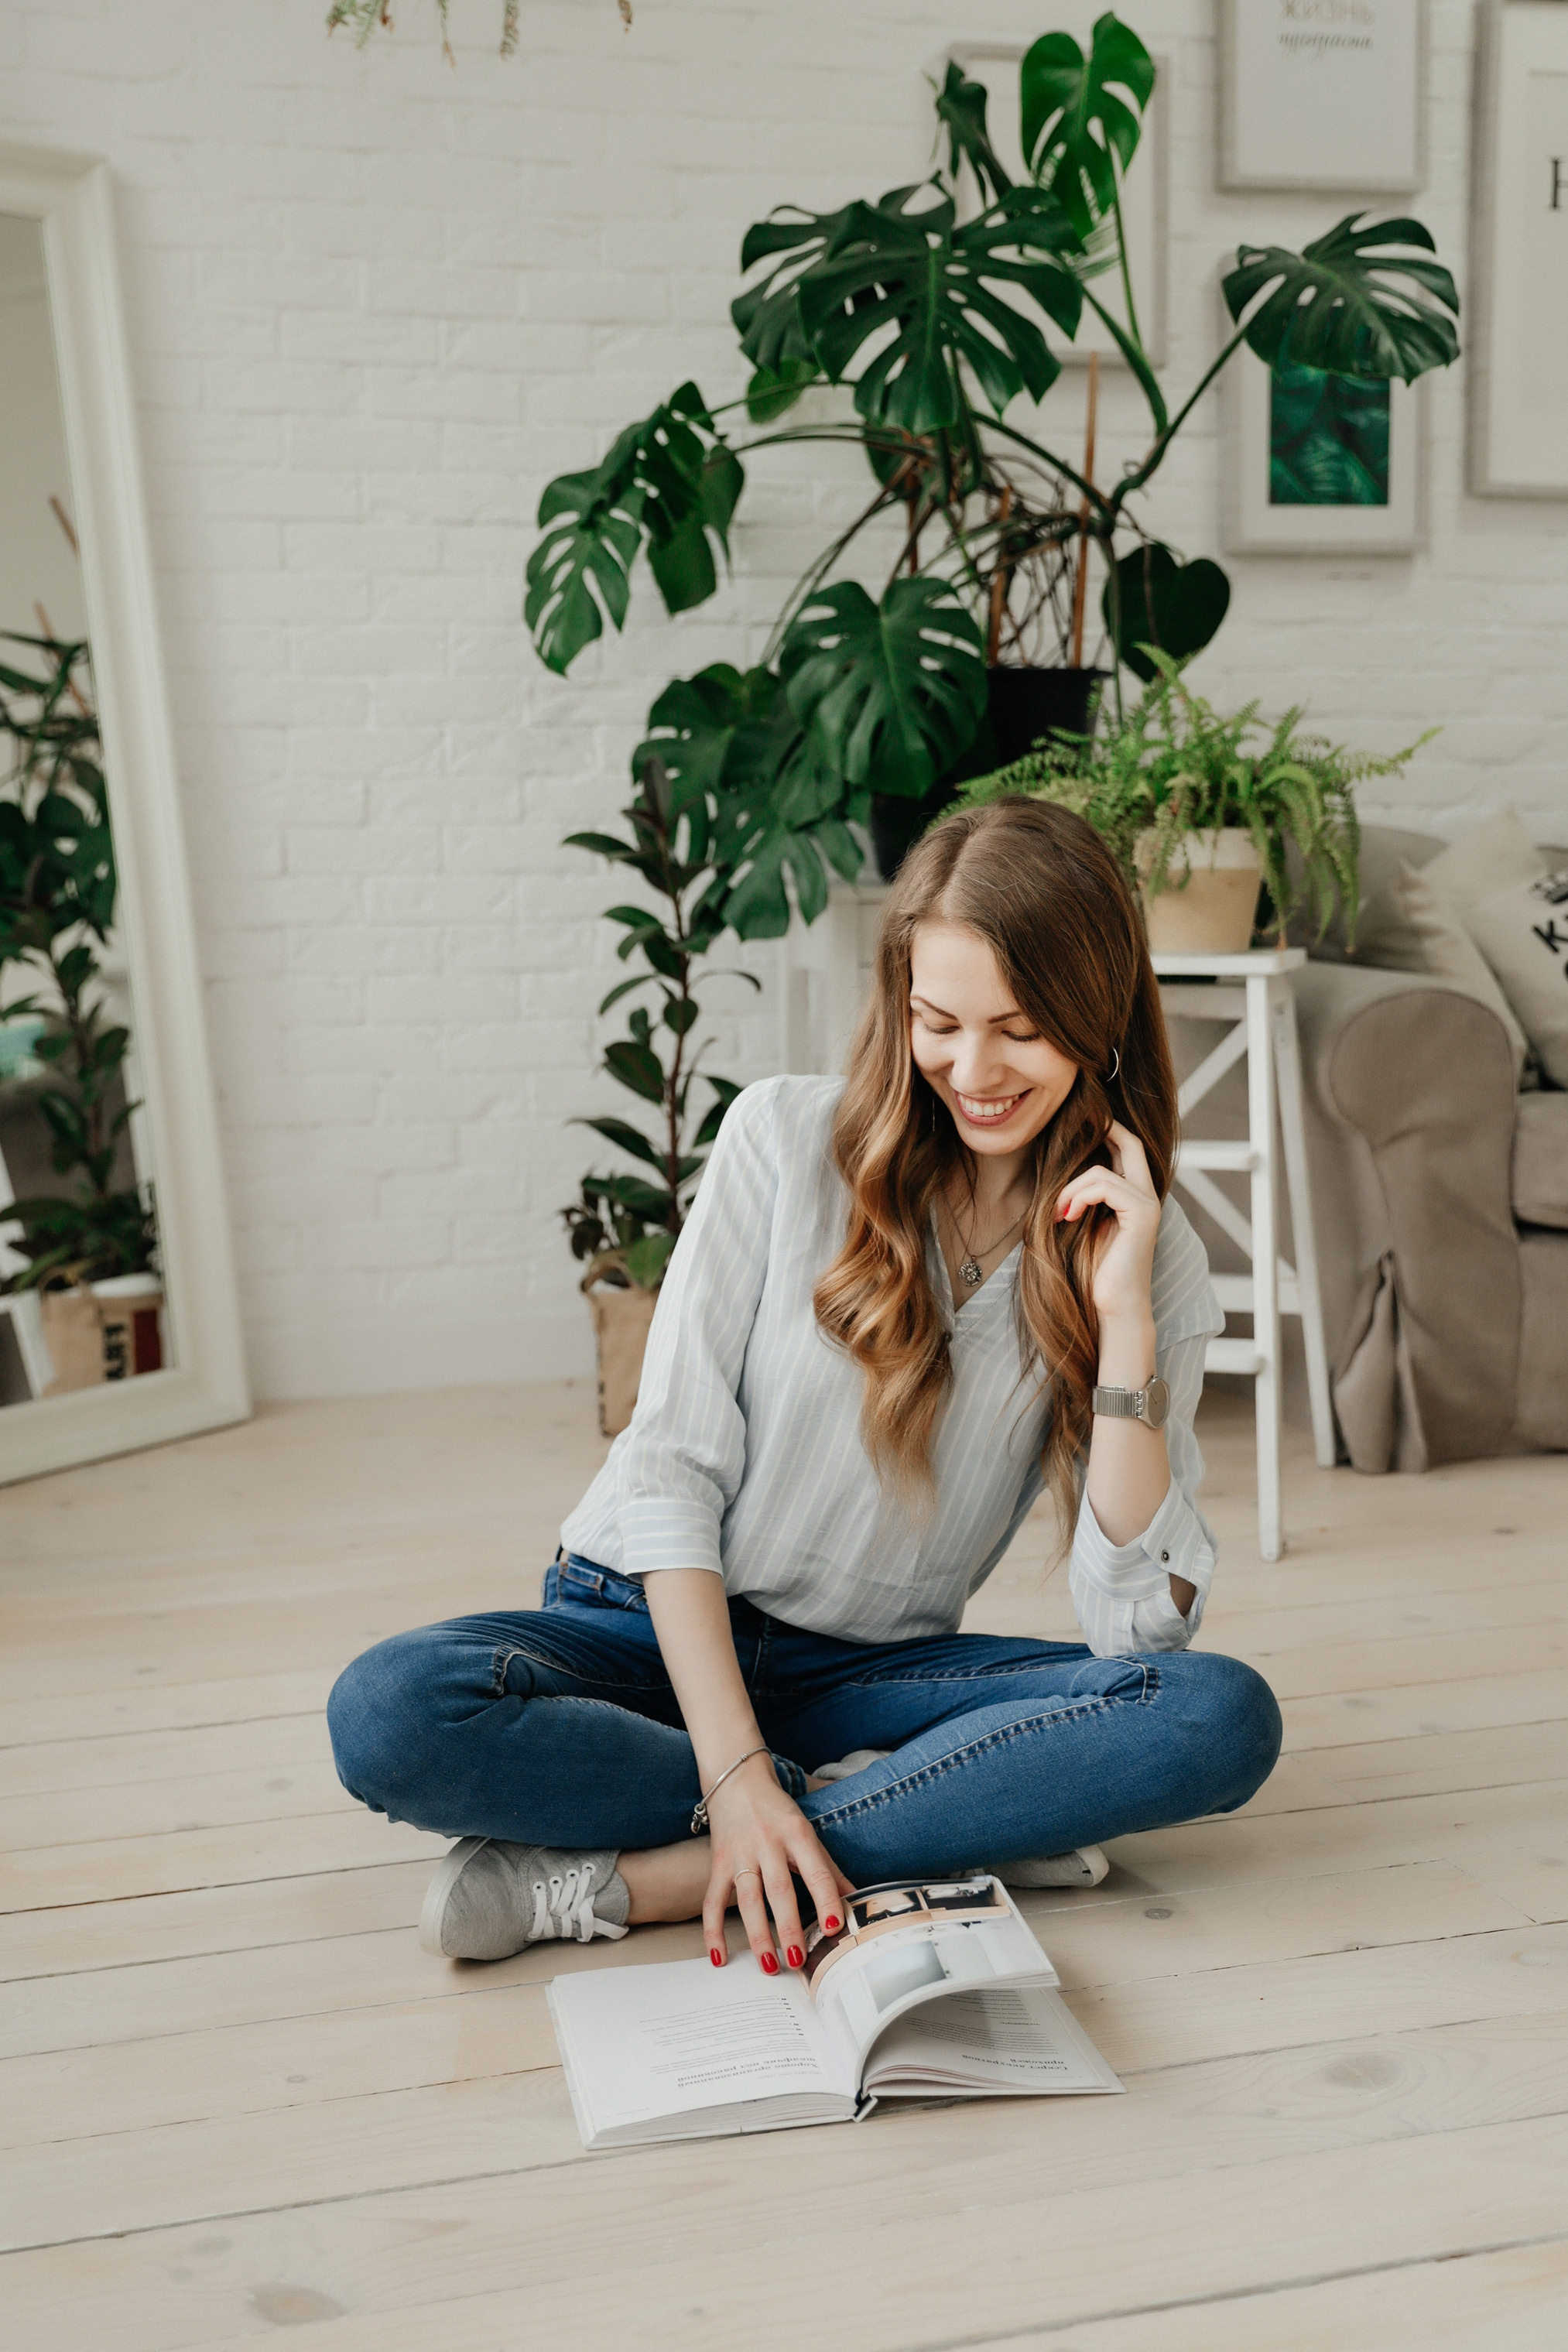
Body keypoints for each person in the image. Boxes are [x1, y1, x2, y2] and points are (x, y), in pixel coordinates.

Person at [327, 799, 1282, 1974]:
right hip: (645, 1630)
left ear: (1100, 1020)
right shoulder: (782, 1139)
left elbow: (1139, 1629)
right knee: (388, 1711)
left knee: (1215, 1716)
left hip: (869, 1672)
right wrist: (735, 1775)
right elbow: (667, 1472)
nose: (974, 1072)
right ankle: (916, 1811)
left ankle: (663, 1878)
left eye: (1022, 1030)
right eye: (939, 1023)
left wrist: (1123, 1320)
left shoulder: (1143, 1248)